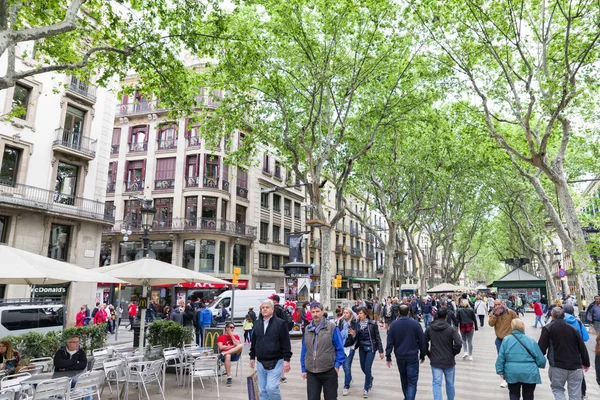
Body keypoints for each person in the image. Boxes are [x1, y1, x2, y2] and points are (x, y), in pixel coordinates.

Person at [538, 307, 590, 399]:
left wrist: (537, 359)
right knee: (575, 392)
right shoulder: (573, 329)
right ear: (563, 316)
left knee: (558, 389)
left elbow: (541, 348)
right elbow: (582, 347)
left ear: (552, 316)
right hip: (575, 365)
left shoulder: (548, 328)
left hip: (557, 365)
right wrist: (586, 363)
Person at [300, 302, 345, 400]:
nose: (315, 314)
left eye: (317, 311)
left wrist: (337, 366)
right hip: (312, 371)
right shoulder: (307, 329)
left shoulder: (331, 327)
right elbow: (304, 350)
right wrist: (303, 368)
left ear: (322, 312)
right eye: (313, 312)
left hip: (328, 370)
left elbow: (340, 349)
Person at [249, 300, 292, 400]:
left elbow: (286, 343)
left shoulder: (280, 324)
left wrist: (287, 360)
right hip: (260, 361)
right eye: (262, 307)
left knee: (271, 388)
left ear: (272, 309)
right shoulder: (257, 324)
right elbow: (254, 341)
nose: (264, 309)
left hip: (276, 360)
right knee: (263, 390)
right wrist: (252, 357)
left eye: (267, 307)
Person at [495, 318, 546, 400]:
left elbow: (501, 357)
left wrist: (500, 370)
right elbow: (541, 360)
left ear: (512, 327)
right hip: (530, 372)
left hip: (512, 372)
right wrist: (540, 365)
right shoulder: (530, 340)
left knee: (514, 394)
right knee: (528, 395)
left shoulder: (506, 340)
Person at [385, 305, 426, 400]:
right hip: (412, 356)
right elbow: (421, 341)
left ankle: (407, 397)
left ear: (398, 312)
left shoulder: (394, 325)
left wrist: (388, 356)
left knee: (404, 379)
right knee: (412, 381)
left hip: (400, 356)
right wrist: (422, 354)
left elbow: (390, 342)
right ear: (408, 312)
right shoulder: (415, 324)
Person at [424, 307, 463, 400]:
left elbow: (423, 342)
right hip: (449, 360)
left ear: (436, 316)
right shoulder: (450, 329)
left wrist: (428, 353)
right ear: (446, 317)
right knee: (450, 383)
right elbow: (459, 343)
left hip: (436, 360)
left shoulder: (430, 328)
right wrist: (452, 353)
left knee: (436, 383)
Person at [354, 306, 384, 398]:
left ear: (365, 314)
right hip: (362, 348)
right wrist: (353, 335)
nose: (359, 315)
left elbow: (377, 337)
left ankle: (366, 388)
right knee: (363, 367)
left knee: (367, 368)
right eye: (358, 313)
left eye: (361, 313)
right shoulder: (357, 323)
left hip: (371, 348)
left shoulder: (372, 323)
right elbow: (356, 337)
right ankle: (370, 378)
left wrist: (381, 351)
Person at [489, 298, 518, 388]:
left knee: (511, 358)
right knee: (502, 359)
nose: (497, 306)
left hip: (510, 339)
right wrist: (495, 316)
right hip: (500, 339)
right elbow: (490, 324)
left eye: (498, 304)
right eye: (495, 305)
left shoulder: (510, 312)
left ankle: (513, 376)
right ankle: (505, 379)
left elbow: (518, 321)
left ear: (502, 303)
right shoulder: (493, 313)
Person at [563, 303, 589, 399]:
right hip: (577, 354)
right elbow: (586, 338)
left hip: (561, 354)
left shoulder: (558, 322)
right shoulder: (578, 322)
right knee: (579, 376)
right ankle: (582, 393)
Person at [338, 307, 358, 396]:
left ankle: (346, 386)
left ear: (350, 314)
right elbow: (338, 333)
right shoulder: (341, 322)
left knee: (347, 366)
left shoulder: (354, 322)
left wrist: (354, 335)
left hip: (350, 347)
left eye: (347, 313)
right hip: (342, 346)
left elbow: (357, 336)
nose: (345, 314)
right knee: (344, 366)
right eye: (344, 312)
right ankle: (349, 378)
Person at [218, 322, 244, 387]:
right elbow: (221, 347)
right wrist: (232, 346)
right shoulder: (221, 337)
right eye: (230, 327)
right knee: (228, 355)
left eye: (233, 328)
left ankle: (224, 353)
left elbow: (238, 345)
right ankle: (229, 377)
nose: (232, 329)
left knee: (241, 345)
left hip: (235, 354)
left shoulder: (236, 336)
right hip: (226, 357)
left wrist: (231, 335)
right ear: (226, 328)